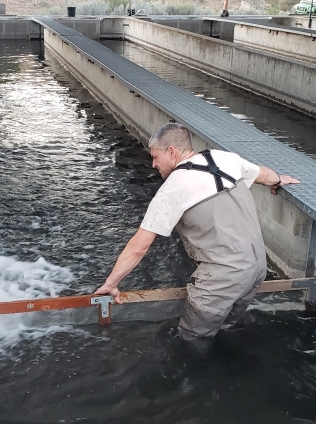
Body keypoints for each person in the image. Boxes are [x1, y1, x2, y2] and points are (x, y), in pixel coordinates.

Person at [95, 123, 300, 341]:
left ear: (171, 152)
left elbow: (138, 248)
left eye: (155, 156)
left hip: (224, 277)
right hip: (257, 269)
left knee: (193, 339)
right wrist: (279, 181)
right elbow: (264, 175)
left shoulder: (173, 189)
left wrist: (111, 284)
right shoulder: (224, 158)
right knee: (228, 327)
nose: (153, 164)